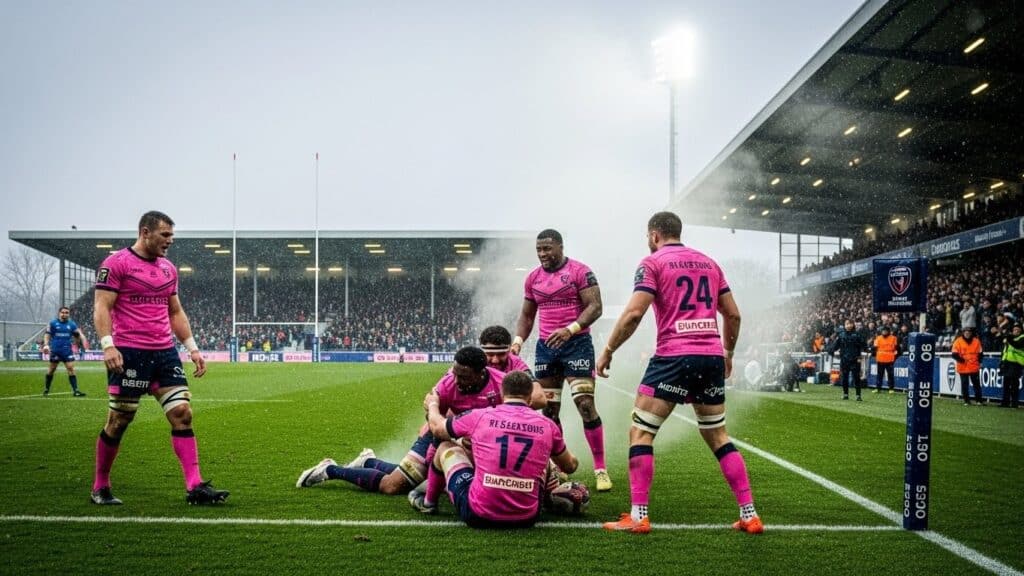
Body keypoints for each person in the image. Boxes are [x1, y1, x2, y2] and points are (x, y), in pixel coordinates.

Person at [595, 211, 762, 535]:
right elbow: (734, 315)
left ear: (654, 235)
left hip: (674, 356)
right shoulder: (710, 263)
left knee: (641, 433)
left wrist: (608, 350)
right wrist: (727, 353)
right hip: (710, 357)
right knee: (717, 435)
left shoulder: (653, 262)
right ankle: (750, 514)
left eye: (648, 236)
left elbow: (633, 314)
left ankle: (639, 516)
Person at [296, 329, 545, 497]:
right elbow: (434, 418)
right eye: (455, 374)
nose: (456, 381)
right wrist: (452, 438)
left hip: (477, 440)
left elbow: (525, 408)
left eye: (463, 377)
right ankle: (330, 469)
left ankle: (368, 461)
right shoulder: (448, 383)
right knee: (393, 486)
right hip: (445, 437)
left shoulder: (501, 383)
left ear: (481, 374)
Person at [91, 210, 228, 506]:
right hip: (130, 353)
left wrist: (191, 347)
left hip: (165, 353)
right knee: (119, 420)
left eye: (171, 235)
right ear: (145, 232)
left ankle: (195, 486)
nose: (170, 241)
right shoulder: (117, 264)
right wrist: (107, 345)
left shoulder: (168, 269)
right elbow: (102, 306)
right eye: (165, 235)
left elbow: (175, 311)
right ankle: (100, 485)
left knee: (183, 413)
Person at [511, 229, 610, 491]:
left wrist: (570, 329)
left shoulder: (580, 271)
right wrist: (519, 341)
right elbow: (527, 315)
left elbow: (595, 306)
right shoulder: (533, 278)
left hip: (576, 345)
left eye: (547, 249)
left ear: (560, 247)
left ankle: (601, 469)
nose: (543, 254)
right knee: (549, 411)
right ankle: (558, 467)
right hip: (546, 349)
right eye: (539, 250)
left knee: (585, 405)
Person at [421, 370, 579, 528]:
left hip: (479, 514)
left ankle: (428, 503)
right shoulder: (548, 425)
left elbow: (437, 428)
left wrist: (433, 404)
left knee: (445, 447)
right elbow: (570, 466)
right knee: (543, 457)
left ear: (501, 393)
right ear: (530, 397)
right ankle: (547, 500)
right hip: (527, 518)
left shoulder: (480, 416)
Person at [42, 306, 88, 397]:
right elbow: (47, 335)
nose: (64, 314)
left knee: (71, 368)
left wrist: (81, 342)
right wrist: (46, 345)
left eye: (67, 313)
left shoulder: (71, 324)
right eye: (63, 312)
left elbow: (78, 335)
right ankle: (46, 389)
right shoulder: (53, 323)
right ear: (59, 313)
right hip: (55, 350)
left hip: (67, 350)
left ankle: (76, 391)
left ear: (68, 314)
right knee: (51, 370)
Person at [827, 320, 868, 401]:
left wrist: (862, 354)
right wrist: (830, 350)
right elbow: (835, 345)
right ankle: (845, 394)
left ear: (853, 325)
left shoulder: (857, 335)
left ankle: (858, 395)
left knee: (856, 378)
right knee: (844, 378)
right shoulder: (841, 335)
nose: (848, 325)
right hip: (844, 359)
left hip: (855, 359)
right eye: (847, 324)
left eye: (850, 324)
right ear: (844, 325)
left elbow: (864, 345)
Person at [951, 327, 984, 405]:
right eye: (966, 332)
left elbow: (980, 353)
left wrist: (979, 362)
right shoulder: (958, 341)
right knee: (965, 384)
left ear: (971, 333)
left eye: (969, 332)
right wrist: (962, 360)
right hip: (963, 366)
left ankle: (979, 401)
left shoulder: (976, 341)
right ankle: (967, 401)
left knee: (976, 384)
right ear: (963, 333)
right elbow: (954, 354)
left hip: (973, 366)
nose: (967, 333)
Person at [997, 323, 1023, 408]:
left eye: (1018, 330)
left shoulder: (1022, 338)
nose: (1016, 331)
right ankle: (1005, 402)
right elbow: (1005, 350)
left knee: (1014, 384)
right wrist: (1002, 360)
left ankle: (1014, 403)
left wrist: (1007, 337)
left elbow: (1017, 345)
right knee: (1006, 384)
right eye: (1015, 329)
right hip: (1007, 362)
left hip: (1016, 363)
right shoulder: (1010, 338)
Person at [872, 326, 899, 394]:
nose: (884, 332)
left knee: (890, 374)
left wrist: (895, 357)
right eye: (883, 331)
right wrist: (875, 355)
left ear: (888, 331)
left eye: (885, 331)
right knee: (879, 374)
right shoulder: (878, 338)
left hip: (890, 359)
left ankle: (891, 388)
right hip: (880, 359)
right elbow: (874, 348)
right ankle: (878, 388)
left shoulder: (893, 338)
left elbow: (897, 349)